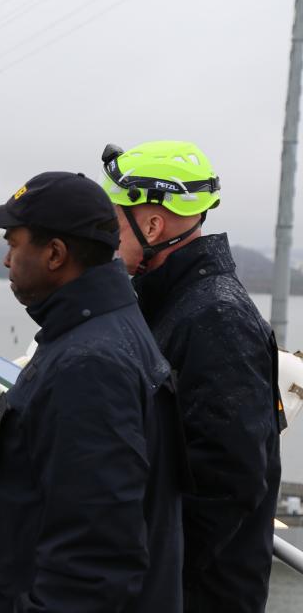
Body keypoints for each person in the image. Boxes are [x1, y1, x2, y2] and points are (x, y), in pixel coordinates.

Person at [0, 171, 183, 612]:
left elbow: (92, 569)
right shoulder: (93, 335)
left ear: (55, 254)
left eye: (14, 244)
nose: (5, 259)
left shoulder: (91, 366)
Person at [101, 141, 283, 612]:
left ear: (153, 224)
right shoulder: (175, 301)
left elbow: (229, 478)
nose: (107, 236)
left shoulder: (216, 316)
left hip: (198, 592)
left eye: (115, 221)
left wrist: (153, 568)